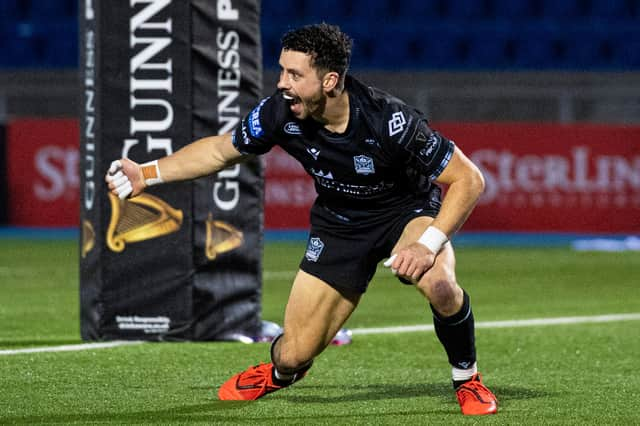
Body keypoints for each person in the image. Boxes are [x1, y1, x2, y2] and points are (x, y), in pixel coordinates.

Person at [106, 23, 497, 416]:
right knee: (292, 354)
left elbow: (469, 179)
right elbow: (221, 151)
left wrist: (426, 245)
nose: (281, 83)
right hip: (339, 224)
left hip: (405, 213)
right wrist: (147, 173)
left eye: (294, 74)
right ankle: (280, 373)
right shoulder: (280, 112)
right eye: (281, 71)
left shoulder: (388, 120)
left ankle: (468, 379)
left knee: (441, 285)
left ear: (329, 80)